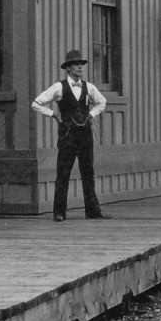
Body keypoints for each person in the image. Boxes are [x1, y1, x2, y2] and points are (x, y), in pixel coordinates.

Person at [33, 49, 109, 222]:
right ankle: (59, 212)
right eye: (76, 64)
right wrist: (53, 114)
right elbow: (36, 104)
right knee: (63, 173)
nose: (80, 67)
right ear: (68, 68)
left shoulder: (89, 87)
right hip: (68, 136)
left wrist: (91, 115)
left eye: (81, 64)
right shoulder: (59, 87)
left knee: (88, 172)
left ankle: (92, 211)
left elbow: (102, 102)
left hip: (85, 135)